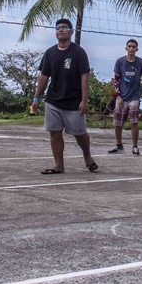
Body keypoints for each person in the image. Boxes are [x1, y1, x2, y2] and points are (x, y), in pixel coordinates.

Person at [30, 18, 98, 175]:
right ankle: (59, 165)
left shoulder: (78, 52)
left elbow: (84, 76)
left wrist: (84, 100)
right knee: (54, 132)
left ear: (71, 32)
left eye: (64, 28)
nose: (60, 30)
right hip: (53, 100)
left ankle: (87, 156)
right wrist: (36, 98)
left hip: (74, 101)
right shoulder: (50, 53)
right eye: (58, 28)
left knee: (79, 133)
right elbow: (43, 77)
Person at [108, 39, 142, 156]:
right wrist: (117, 96)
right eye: (129, 46)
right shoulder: (120, 62)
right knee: (118, 123)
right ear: (126, 48)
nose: (131, 49)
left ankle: (135, 146)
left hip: (134, 96)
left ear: (137, 49)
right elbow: (116, 80)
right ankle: (119, 145)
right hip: (122, 96)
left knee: (134, 122)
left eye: (133, 47)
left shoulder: (140, 62)